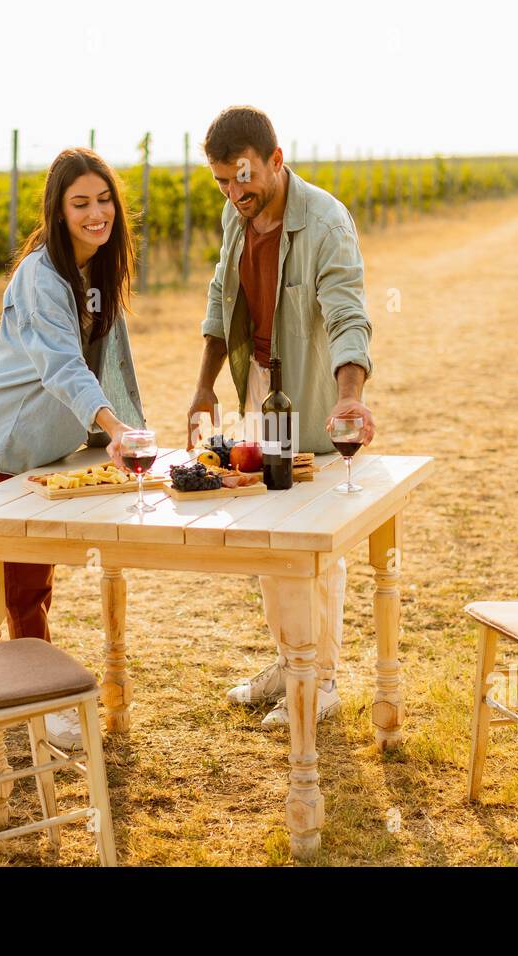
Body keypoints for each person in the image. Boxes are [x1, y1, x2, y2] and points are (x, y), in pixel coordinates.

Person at [186, 106, 375, 727]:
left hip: (315, 393)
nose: (234, 192)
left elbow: (348, 312)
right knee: (271, 531)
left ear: (275, 160)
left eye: (243, 177)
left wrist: (351, 396)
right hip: (263, 391)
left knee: (316, 541)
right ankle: (290, 661)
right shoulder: (234, 214)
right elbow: (222, 295)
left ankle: (321, 682)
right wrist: (204, 388)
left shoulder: (326, 221)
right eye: (221, 181)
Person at [0, 147, 145, 749]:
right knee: (25, 584)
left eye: (104, 199)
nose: (97, 213)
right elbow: (63, 367)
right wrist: (118, 431)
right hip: (7, 442)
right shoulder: (42, 276)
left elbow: (111, 361)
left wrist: (128, 430)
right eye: (80, 203)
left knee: (40, 576)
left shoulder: (98, 268)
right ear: (58, 212)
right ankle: (36, 710)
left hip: (57, 443)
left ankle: (38, 694)